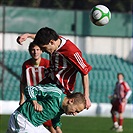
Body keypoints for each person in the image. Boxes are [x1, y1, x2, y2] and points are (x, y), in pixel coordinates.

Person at [17, 27, 92, 109]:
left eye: (44, 48)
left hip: (61, 89)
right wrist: (28, 35)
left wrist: (86, 96)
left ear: (52, 42)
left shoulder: (71, 51)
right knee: (30, 106)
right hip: (49, 81)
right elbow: (42, 38)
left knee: (42, 113)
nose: (44, 51)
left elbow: (85, 72)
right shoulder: (55, 40)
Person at [6, 83, 86, 133]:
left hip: (35, 124)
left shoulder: (63, 108)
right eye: (76, 110)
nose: (75, 114)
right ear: (71, 101)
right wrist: (35, 102)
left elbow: (55, 117)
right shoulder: (55, 93)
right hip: (23, 119)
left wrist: (57, 128)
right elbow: (30, 89)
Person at [19, 42, 56, 133]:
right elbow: (23, 82)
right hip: (32, 99)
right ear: (29, 51)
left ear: (41, 51)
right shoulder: (26, 65)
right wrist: (22, 98)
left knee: (51, 125)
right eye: (33, 50)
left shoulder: (47, 63)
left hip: (44, 98)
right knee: (34, 124)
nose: (35, 52)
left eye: (38, 50)